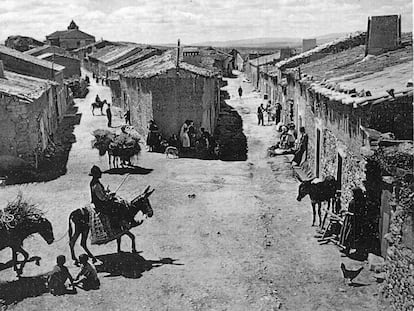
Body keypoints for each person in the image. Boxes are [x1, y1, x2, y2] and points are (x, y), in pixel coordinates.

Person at [89, 165, 136, 230]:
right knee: (118, 206)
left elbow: (100, 193)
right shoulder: (96, 185)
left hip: (98, 202)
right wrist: (110, 195)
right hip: (100, 204)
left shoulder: (94, 182)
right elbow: (102, 197)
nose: (100, 174)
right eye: (99, 173)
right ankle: (117, 226)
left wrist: (106, 191)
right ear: (96, 175)